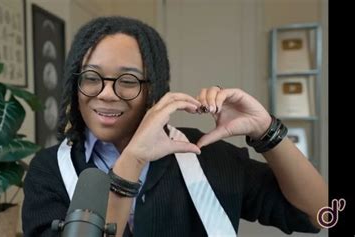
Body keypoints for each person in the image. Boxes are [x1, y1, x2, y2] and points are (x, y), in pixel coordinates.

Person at [22, 16, 328, 237]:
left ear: (154, 90)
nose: (105, 92)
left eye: (128, 80)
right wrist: (132, 161)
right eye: (91, 77)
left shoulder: (207, 155)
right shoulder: (49, 170)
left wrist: (266, 131)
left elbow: (323, 216)